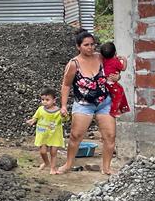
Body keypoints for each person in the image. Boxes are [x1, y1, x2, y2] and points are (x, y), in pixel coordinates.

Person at [59, 30, 117, 176]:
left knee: (110, 136)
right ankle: (68, 164)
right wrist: (64, 106)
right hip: (83, 104)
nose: (90, 47)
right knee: (76, 136)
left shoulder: (101, 57)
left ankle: (106, 168)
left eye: (92, 44)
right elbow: (66, 85)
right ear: (78, 46)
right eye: (86, 45)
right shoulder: (74, 64)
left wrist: (117, 77)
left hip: (104, 102)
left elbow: (116, 69)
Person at [26, 88, 66, 175]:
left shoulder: (58, 111)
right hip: (43, 134)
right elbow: (35, 117)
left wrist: (64, 114)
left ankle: (53, 168)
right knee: (43, 151)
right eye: (42, 100)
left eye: (47, 100)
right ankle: (46, 162)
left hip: (54, 135)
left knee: (53, 152)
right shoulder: (40, 109)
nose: (44, 102)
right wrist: (32, 121)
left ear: (54, 100)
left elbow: (65, 119)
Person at [98, 41, 131, 117]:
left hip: (105, 83)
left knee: (117, 91)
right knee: (119, 93)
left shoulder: (104, 60)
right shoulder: (116, 62)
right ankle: (115, 110)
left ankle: (120, 109)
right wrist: (125, 60)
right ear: (115, 52)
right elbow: (123, 68)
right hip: (112, 83)